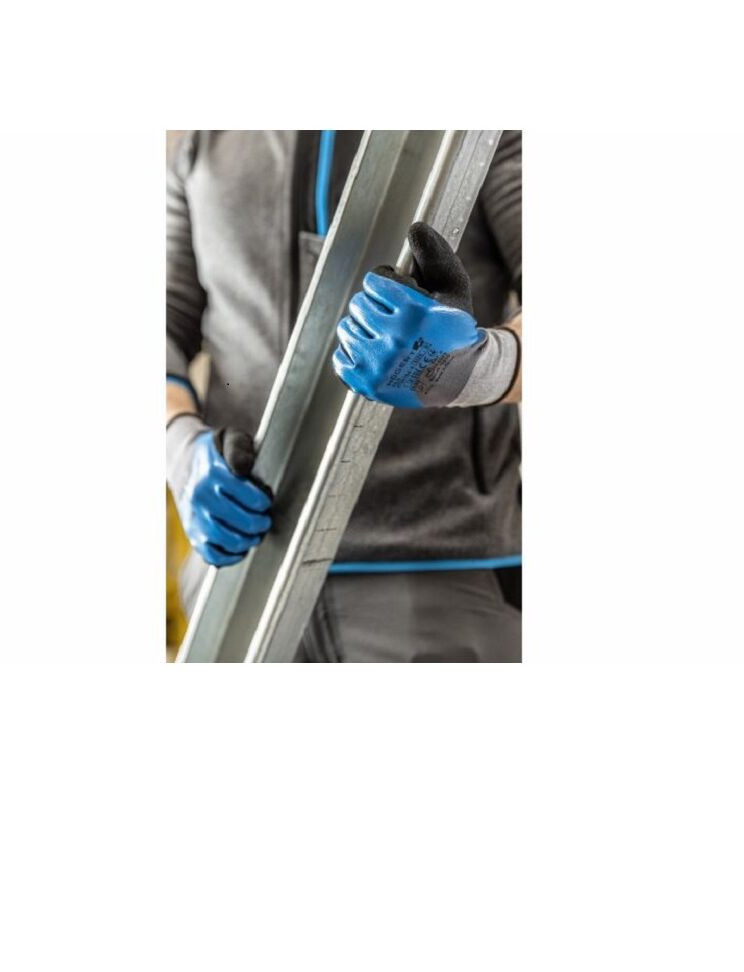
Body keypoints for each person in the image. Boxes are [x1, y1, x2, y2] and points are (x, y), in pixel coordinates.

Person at [166, 131, 522, 663]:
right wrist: (178, 447)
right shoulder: (203, 143)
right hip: (236, 583)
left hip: (441, 578)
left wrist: (474, 369)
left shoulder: (477, 133)